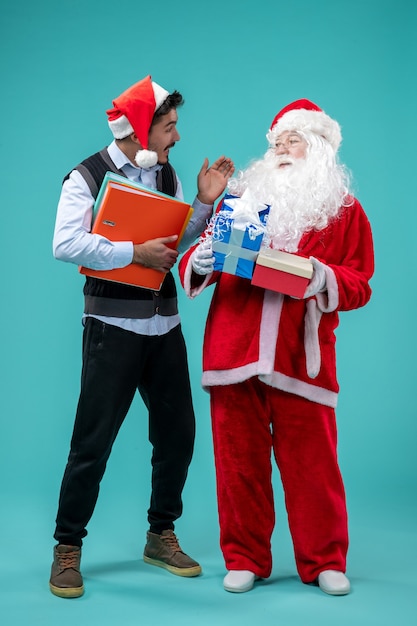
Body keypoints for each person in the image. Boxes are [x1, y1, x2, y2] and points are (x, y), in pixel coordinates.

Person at [179, 99, 374, 595]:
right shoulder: (240, 199)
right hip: (233, 349)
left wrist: (320, 276)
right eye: (277, 142)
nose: (283, 150)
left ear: (321, 150)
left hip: (300, 357)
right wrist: (204, 254)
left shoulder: (345, 211)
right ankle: (244, 557)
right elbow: (191, 271)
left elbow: (359, 282)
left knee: (313, 466)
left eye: (294, 141)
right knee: (237, 464)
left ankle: (325, 560)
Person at [50, 75, 234, 598]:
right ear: (139, 130)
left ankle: (160, 534)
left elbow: (172, 243)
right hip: (112, 327)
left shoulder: (167, 172)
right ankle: (67, 547)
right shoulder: (86, 176)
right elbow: (65, 244)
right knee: (92, 442)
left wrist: (202, 204)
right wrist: (133, 253)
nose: (176, 137)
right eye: (170, 127)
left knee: (178, 434)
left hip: (164, 325)